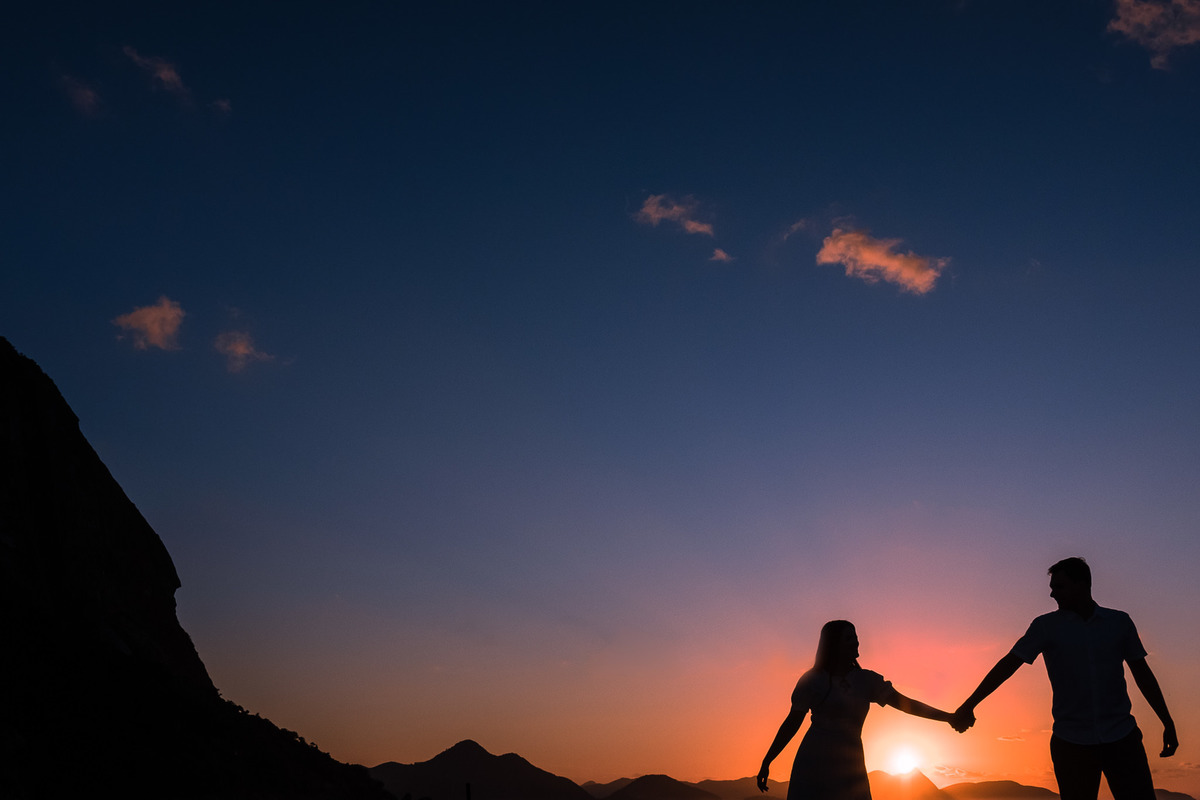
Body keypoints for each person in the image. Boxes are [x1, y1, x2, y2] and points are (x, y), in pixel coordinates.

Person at [953, 557, 1178, 800]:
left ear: (1082, 584)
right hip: (1071, 743)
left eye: (1059, 587)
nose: (1052, 594)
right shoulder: (1045, 626)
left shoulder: (1119, 622)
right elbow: (1008, 665)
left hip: (1122, 738)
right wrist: (969, 704)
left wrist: (1167, 721)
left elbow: (1142, 673)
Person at [757, 620, 967, 800]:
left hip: (850, 764)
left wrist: (948, 717)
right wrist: (767, 761)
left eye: (856, 637)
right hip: (814, 760)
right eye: (849, 638)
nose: (856, 642)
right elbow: (792, 723)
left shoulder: (866, 681)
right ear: (833, 645)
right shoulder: (813, 680)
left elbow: (908, 705)